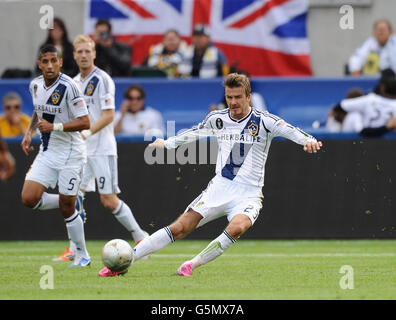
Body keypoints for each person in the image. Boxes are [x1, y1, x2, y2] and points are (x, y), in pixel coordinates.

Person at [98, 73, 323, 277]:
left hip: (249, 194)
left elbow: (291, 130)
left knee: (237, 227)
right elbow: (194, 133)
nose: (233, 102)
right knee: (180, 228)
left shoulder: (265, 121)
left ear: (248, 96)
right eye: (229, 97)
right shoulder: (218, 118)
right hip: (219, 188)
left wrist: (309, 141)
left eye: (237, 97)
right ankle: (125, 261)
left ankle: (191, 265)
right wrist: (167, 144)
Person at [50, 34, 148, 263]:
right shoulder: (73, 83)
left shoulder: (103, 79)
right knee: (72, 198)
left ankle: (141, 237)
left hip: (102, 148)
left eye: (87, 51)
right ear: (73, 55)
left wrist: (88, 132)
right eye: (79, 52)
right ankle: (75, 249)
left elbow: (110, 115)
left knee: (109, 200)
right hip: (80, 151)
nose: (84, 55)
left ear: (94, 54)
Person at [20, 44, 91, 267]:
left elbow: (85, 122)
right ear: (39, 64)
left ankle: (82, 255)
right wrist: (29, 131)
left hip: (71, 154)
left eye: (54, 61)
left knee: (66, 208)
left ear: (60, 62)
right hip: (48, 151)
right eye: (45, 61)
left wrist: (55, 127)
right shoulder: (35, 85)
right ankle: (71, 199)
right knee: (29, 198)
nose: (49, 65)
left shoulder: (70, 87)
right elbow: (39, 110)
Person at [332, 78, 396, 137]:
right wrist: (387, 127)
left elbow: (341, 105)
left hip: (363, 142)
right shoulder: (370, 99)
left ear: (383, 88)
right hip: (385, 143)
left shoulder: (370, 99)